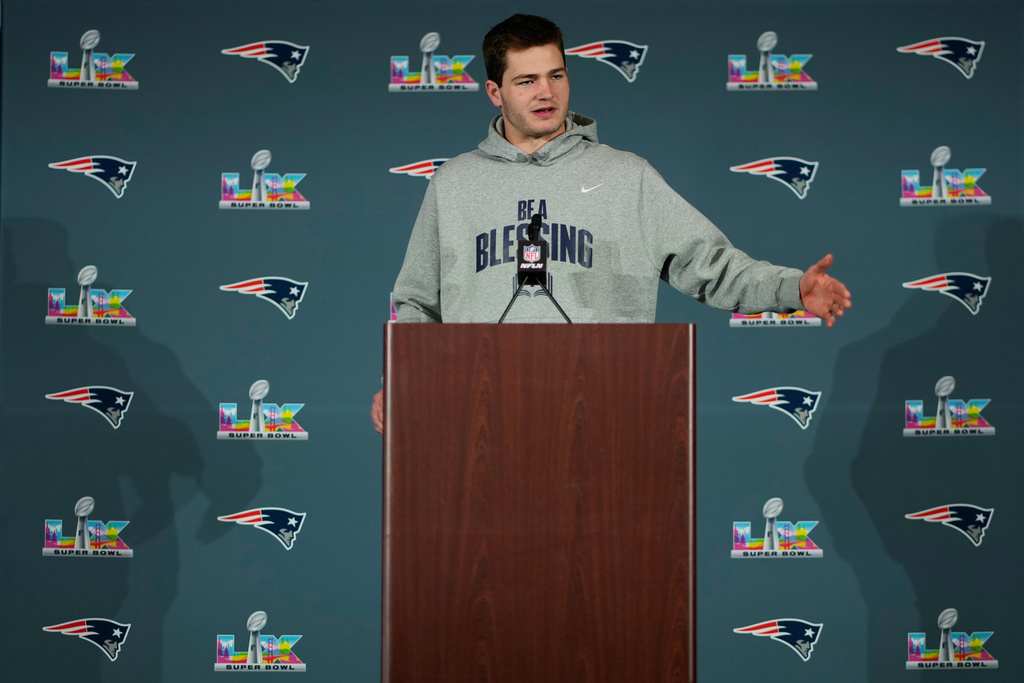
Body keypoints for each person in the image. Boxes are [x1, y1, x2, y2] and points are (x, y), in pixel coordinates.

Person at [371, 14, 851, 433]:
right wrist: (400, 381)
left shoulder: (626, 175)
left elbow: (712, 265)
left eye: (556, 75)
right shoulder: (454, 183)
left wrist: (792, 289)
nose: (546, 92)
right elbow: (415, 303)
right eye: (527, 81)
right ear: (494, 92)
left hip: (606, 413)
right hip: (477, 417)